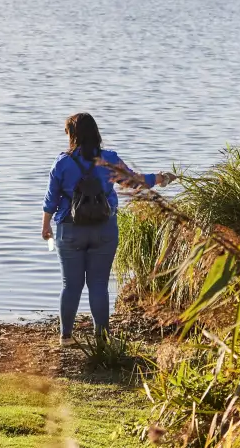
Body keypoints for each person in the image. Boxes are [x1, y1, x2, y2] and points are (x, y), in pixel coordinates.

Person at [39, 112, 169, 345]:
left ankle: (66, 336)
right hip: (104, 228)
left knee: (71, 284)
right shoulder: (108, 159)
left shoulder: (62, 162)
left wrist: (45, 225)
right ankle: (102, 337)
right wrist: (159, 178)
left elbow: (51, 198)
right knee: (98, 284)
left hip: (69, 229)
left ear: (73, 135)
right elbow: (133, 182)